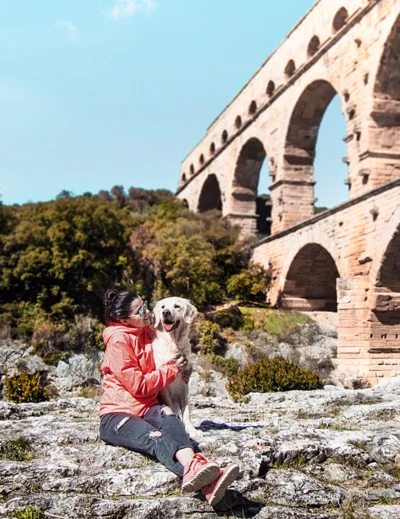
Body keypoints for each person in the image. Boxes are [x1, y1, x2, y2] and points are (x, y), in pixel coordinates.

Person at [99, 288, 239, 507]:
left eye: (145, 305)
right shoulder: (118, 342)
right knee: (155, 437)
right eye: (140, 311)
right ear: (126, 320)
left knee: (169, 415)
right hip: (117, 416)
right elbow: (138, 386)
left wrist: (184, 365)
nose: (147, 312)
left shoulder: (148, 333)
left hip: (146, 409)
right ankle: (206, 480)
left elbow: (173, 343)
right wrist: (173, 369)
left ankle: (197, 467)